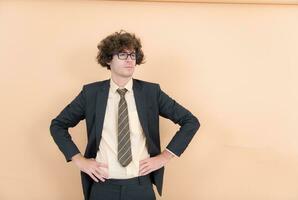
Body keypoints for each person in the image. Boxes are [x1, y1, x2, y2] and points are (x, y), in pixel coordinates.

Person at [50, 30, 200, 200]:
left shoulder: (151, 92)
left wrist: (164, 157)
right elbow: (58, 125)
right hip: (103, 186)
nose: (130, 59)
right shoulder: (91, 93)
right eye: (122, 54)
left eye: (133, 54)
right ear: (108, 59)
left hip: (140, 186)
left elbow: (190, 121)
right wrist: (79, 160)